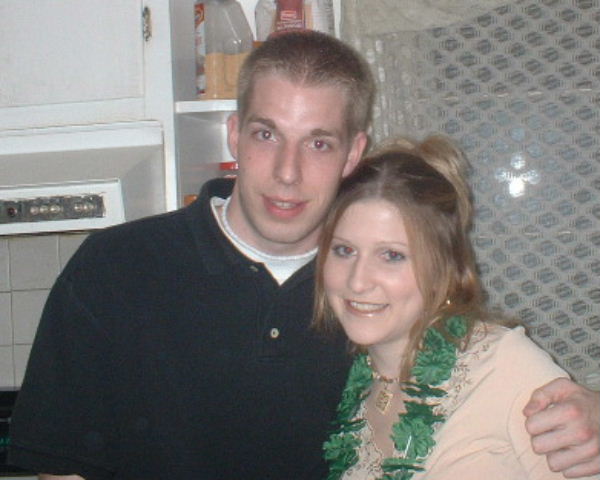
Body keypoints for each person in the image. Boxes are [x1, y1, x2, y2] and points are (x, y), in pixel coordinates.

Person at [7, 31, 599, 480]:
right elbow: (59, 466)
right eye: (267, 135)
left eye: (318, 143)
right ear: (234, 135)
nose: (287, 173)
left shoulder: (372, 300)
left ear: (353, 153)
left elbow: (491, 379)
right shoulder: (115, 268)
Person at [312, 135, 599, 480]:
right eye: (344, 250)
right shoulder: (341, 377)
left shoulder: (503, 366)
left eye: (392, 255)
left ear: (443, 268)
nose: (358, 281)